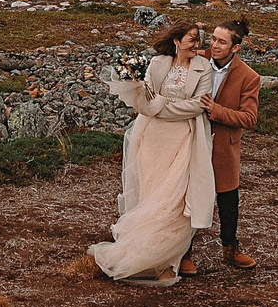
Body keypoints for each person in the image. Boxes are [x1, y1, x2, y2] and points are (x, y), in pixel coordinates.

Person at [86, 23, 216, 284]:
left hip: (184, 139)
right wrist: (154, 106)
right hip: (152, 140)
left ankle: (169, 262)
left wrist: (159, 107)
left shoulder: (205, 69)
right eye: (191, 39)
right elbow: (143, 102)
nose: (196, 44)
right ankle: (143, 257)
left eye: (198, 40)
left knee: (176, 204)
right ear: (177, 41)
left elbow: (196, 106)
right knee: (152, 198)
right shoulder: (157, 64)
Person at [186, 18, 261, 273]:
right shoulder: (196, 59)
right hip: (192, 141)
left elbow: (249, 118)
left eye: (221, 41)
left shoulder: (249, 77)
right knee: (188, 196)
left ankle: (230, 249)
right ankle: (184, 252)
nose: (214, 46)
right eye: (213, 39)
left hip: (225, 148)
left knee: (228, 200)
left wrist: (217, 111)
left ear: (235, 47)